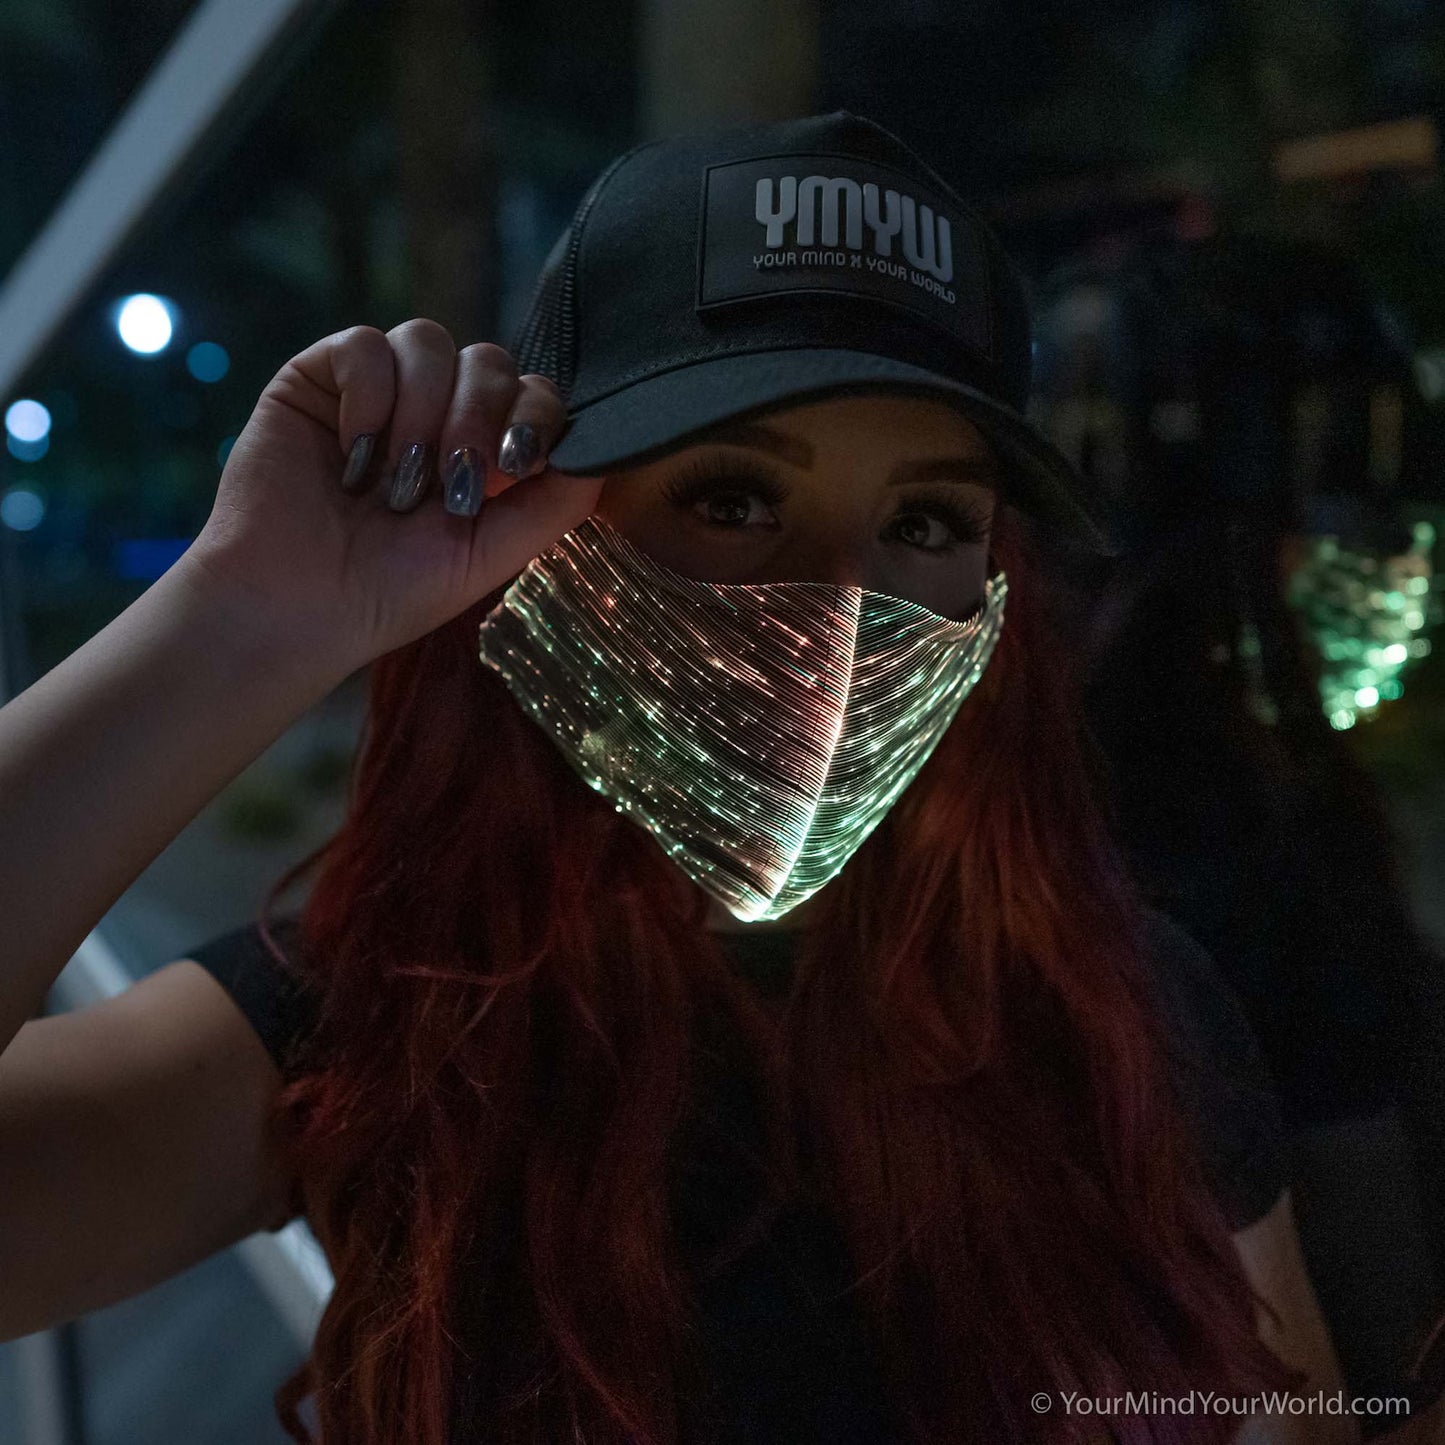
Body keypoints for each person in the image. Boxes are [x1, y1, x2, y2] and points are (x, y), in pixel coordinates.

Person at [0, 111, 1361, 1444]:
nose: (838, 608)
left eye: (926, 520)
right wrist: (244, 615)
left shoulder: (1116, 1007)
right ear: (544, 532)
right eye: (733, 497)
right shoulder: (382, 1009)